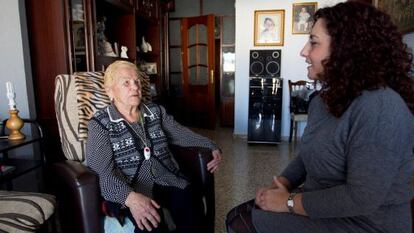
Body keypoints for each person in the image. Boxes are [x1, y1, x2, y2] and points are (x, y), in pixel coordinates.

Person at [227, 2, 414, 233]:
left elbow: (362, 198)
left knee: (241, 224)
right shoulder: (322, 100)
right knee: (238, 215)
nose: (304, 51)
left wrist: (287, 203)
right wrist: (284, 182)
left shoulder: (381, 107)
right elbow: (309, 153)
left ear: (347, 49)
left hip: (364, 223)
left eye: (313, 42)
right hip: (321, 205)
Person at [86, 60, 222, 233]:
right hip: (131, 187)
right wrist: (131, 199)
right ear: (110, 91)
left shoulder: (155, 112)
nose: (135, 87)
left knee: (191, 207)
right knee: (151, 224)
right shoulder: (100, 124)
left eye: (136, 82)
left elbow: (179, 133)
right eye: (126, 83)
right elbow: (102, 173)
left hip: (167, 177)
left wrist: (210, 144)